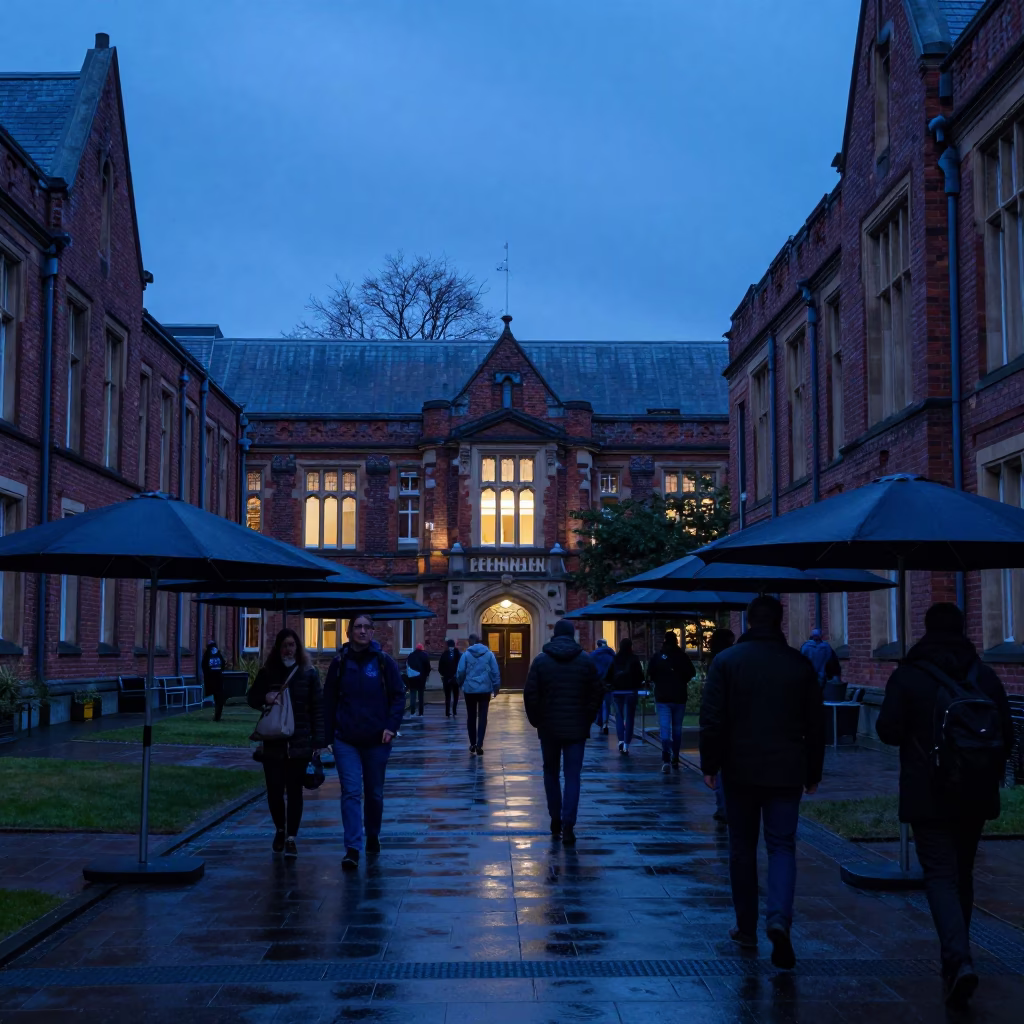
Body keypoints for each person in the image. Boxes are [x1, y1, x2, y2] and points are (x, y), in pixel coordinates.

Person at [876, 602, 1013, 1008]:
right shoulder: (985, 676)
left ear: (925, 628)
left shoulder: (909, 676)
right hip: (974, 792)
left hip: (928, 791)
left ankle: (958, 958)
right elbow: (1007, 734)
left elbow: (886, 731)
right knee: (963, 872)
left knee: (939, 875)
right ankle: (956, 960)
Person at [699, 596, 824, 970]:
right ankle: (779, 918)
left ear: (748, 621)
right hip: (786, 768)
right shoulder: (799, 664)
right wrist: (813, 772)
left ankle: (746, 927)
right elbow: (815, 724)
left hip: (739, 769)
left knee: (742, 847)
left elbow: (712, 717)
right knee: (782, 846)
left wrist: (710, 764)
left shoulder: (727, 662)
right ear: (781, 621)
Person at [323, 614, 406, 871]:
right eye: (356, 627)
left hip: (377, 739)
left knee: (374, 792)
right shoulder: (339, 663)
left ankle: (372, 834)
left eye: (366, 627)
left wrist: (391, 727)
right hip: (345, 739)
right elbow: (328, 702)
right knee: (350, 791)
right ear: (349, 633)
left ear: (373, 632)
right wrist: (326, 737)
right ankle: (352, 848)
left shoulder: (383, 662)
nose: (361, 631)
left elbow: (399, 695)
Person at [524, 619, 604, 846]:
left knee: (550, 772)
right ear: (572, 635)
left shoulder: (540, 661)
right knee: (572, 776)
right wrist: (587, 717)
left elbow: (530, 694)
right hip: (576, 728)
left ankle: (555, 818)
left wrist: (537, 720)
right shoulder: (585, 661)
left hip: (548, 727)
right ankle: (569, 823)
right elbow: (597, 692)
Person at [247, 629, 324, 857]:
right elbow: (251, 697)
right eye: (284, 645)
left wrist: (319, 740)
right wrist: (265, 698)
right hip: (274, 743)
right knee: (274, 791)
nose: (288, 649)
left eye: (292, 645)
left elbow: (318, 708)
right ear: (278, 648)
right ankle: (280, 828)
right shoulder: (268, 672)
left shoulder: (308, 673)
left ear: (297, 647)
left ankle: (291, 837)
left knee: (295, 791)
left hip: (299, 742)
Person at [647, 631, 696, 773]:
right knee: (677, 729)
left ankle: (666, 758)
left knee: (665, 729)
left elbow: (651, 674)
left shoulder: (658, 657)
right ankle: (675, 756)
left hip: (663, 697)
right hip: (679, 696)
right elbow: (691, 672)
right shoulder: (682, 656)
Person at [706, 628, 735, 823]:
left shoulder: (715, 661)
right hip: (734, 720)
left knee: (722, 768)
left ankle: (722, 806)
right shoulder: (734, 659)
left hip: (721, 721)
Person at [456, 633, 500, 755]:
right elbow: (495, 671)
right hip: (485, 689)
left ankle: (472, 743)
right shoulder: (489, 654)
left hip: (470, 689)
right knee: (483, 716)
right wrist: (496, 687)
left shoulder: (466, 655)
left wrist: (460, 683)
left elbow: (460, 671)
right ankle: (480, 743)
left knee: (471, 716)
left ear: (470, 642)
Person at [608, 637, 644, 755]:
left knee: (619, 716)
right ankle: (627, 744)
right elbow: (640, 676)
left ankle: (621, 740)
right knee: (630, 717)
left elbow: (609, 675)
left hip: (618, 691)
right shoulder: (634, 659)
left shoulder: (615, 659)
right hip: (631, 691)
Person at [590, 637, 615, 735]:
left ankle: (599, 721)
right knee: (606, 704)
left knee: (598, 703)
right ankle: (605, 723)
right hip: (608, 683)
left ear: (598, 645)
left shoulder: (593, 655)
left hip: (597, 683)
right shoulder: (612, 655)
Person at [201, 641, 226, 722]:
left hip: (211, 680)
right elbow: (223, 664)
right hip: (219, 679)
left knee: (215, 698)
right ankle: (217, 716)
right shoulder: (218, 654)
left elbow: (204, 666)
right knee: (219, 699)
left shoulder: (207, 654)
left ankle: (216, 716)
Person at [404, 643, 431, 716]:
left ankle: (412, 712)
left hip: (412, 678)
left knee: (413, 694)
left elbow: (407, 665)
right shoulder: (424, 655)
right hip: (421, 678)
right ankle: (421, 712)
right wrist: (427, 675)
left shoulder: (411, 655)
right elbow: (428, 667)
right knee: (421, 695)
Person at [438, 638, 462, 717]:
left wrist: (444, 674)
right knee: (453, 695)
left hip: (449, 677)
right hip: (452, 677)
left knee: (449, 696)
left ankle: (449, 711)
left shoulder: (446, 654)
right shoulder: (457, 654)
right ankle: (452, 711)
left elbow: (440, 667)